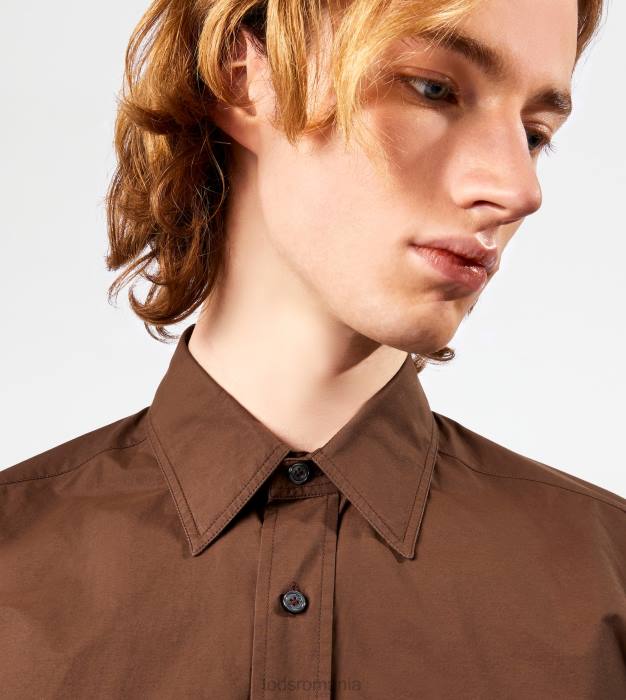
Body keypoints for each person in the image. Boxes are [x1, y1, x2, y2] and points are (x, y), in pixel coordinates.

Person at [1, 0, 624, 698]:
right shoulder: (12, 569)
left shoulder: (610, 583)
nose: (519, 189)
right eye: (433, 89)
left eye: (534, 135)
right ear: (243, 75)